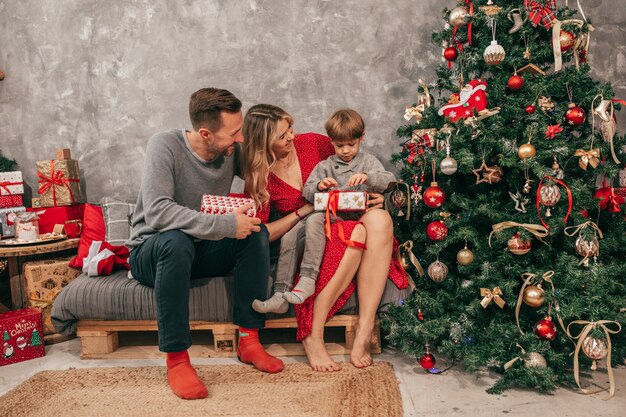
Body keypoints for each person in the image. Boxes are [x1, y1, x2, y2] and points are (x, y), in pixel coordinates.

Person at [126, 88, 284, 401]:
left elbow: (260, 160)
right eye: (234, 132)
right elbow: (158, 212)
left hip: (198, 249)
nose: (240, 139)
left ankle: (249, 340)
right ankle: (177, 359)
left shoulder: (228, 151)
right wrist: (225, 225)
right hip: (152, 251)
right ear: (205, 133)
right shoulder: (165, 145)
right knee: (175, 240)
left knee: (256, 232)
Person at [241, 104, 408, 372]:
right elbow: (262, 233)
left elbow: (360, 166)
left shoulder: (314, 145)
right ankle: (313, 334)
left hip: (346, 219)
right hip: (312, 231)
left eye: (291, 130)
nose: (292, 137)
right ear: (264, 142)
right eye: (283, 135)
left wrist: (377, 195)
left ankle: (364, 329)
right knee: (356, 233)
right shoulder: (259, 175)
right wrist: (303, 210)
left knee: (380, 220)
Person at [281, 108, 397, 305]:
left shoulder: (368, 161)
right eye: (339, 145)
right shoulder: (325, 166)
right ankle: (308, 277)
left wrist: (369, 178)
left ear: (362, 138)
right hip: (332, 217)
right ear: (331, 141)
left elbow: (389, 180)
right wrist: (319, 185)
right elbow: (307, 192)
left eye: (351, 145)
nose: (345, 151)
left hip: (359, 218)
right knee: (314, 220)